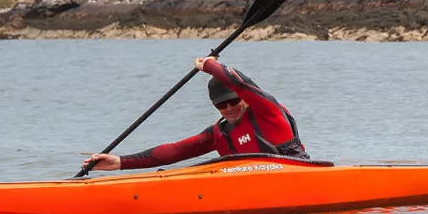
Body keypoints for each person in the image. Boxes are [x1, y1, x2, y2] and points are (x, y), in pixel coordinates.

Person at [80, 56, 306, 174]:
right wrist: (119, 162)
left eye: (233, 101)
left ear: (243, 98)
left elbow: (241, 83)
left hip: (298, 176)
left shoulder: (267, 113)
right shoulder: (220, 133)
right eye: (220, 105)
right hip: (246, 189)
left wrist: (209, 65)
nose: (228, 108)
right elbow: (176, 151)